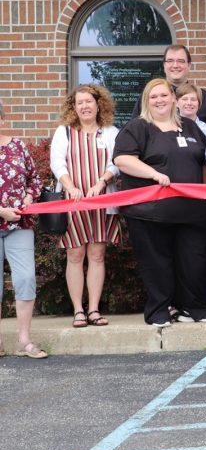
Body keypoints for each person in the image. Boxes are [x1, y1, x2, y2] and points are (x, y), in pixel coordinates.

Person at [113, 78, 206, 327]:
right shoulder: (138, 127)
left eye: (164, 95)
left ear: (173, 99)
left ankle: (193, 307)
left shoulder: (190, 127)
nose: (159, 100)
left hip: (192, 210)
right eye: (153, 97)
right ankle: (159, 310)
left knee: (194, 260)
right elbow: (123, 160)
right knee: (157, 263)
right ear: (146, 101)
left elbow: (205, 162)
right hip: (150, 212)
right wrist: (154, 174)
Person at [50, 84, 121, 329]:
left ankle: (93, 309)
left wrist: (102, 182)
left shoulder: (110, 132)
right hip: (74, 202)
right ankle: (78, 310)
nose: (84, 106)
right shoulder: (64, 132)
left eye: (88, 101)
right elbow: (57, 163)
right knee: (75, 255)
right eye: (79, 102)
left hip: (101, 201)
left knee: (97, 255)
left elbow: (116, 163)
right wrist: (70, 186)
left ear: (98, 104)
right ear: (74, 107)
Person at [0, 100, 45, 358]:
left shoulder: (18, 145)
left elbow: (34, 179)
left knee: (26, 278)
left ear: (2, 119)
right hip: (3, 217)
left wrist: (28, 197)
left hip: (20, 225)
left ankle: (24, 341)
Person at [131, 44, 206, 125]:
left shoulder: (204, 98)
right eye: (170, 61)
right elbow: (135, 129)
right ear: (164, 65)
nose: (175, 65)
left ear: (189, 65)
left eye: (180, 61)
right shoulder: (150, 97)